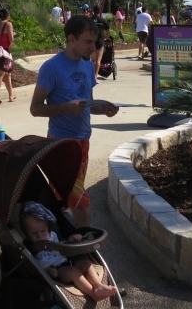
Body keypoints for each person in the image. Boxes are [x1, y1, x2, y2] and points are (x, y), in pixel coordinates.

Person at [29, 16, 119, 226]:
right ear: (71, 39)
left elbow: (86, 104)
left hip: (83, 142)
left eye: (95, 42)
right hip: (61, 144)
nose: (93, 47)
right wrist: (64, 108)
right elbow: (35, 108)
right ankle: (81, 246)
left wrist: (103, 109)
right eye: (88, 42)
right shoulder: (52, 68)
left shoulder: (87, 66)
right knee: (82, 206)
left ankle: (60, 241)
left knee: (61, 200)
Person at [20, 202, 117, 301]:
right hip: (57, 272)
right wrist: (47, 270)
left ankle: (98, 285)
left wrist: (72, 239)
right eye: (34, 233)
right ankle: (93, 294)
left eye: (43, 231)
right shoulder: (29, 246)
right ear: (26, 233)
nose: (40, 236)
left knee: (86, 263)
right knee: (73, 272)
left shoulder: (53, 235)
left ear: (47, 227)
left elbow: (64, 243)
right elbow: (33, 267)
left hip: (69, 262)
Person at [0, 8, 16, 105]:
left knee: (7, 73)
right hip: (5, 52)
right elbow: (11, 39)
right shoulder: (8, 24)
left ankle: (11, 95)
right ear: (8, 15)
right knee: (0, 75)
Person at [89, 5, 109, 79]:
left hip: (92, 42)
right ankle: (95, 76)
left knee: (92, 60)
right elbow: (108, 32)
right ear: (99, 11)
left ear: (93, 11)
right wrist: (105, 38)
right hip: (100, 41)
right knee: (98, 60)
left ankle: (91, 75)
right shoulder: (102, 20)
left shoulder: (90, 20)